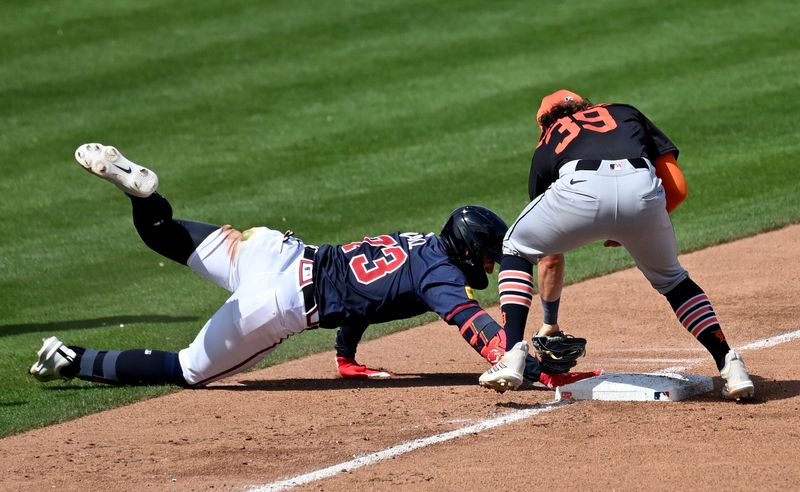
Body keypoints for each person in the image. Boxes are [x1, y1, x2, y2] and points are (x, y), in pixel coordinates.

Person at [29, 143, 574, 389]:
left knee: (165, 235)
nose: (485, 265)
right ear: (465, 251)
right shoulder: (441, 277)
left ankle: (142, 195)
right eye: (484, 255)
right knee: (188, 371)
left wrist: (346, 356)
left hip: (273, 249)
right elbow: (482, 334)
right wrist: (541, 366)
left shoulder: (415, 245)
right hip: (281, 301)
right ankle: (72, 359)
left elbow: (372, 295)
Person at [479, 90, 755, 400]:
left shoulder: (550, 138)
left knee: (516, 247)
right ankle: (730, 364)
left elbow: (549, 254)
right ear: (588, 105)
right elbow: (676, 187)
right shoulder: (624, 112)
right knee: (674, 281)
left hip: (579, 193)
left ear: (545, 122)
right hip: (642, 191)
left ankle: (512, 354)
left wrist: (550, 322)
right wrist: (629, 228)